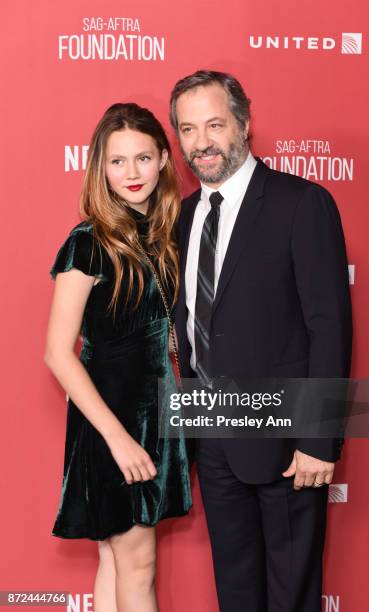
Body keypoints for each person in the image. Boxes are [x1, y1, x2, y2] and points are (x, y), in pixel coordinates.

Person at [170, 70, 352, 612]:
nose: (201, 142)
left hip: (288, 443)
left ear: (244, 125)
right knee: (236, 589)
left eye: (215, 124)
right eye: (187, 129)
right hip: (214, 437)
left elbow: (331, 326)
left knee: (291, 593)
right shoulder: (183, 216)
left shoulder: (301, 203)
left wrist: (320, 439)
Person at [44, 102, 192, 612]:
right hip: (113, 422)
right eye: (117, 161)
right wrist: (118, 438)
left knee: (117, 558)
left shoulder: (167, 235)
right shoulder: (88, 242)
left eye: (143, 158)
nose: (132, 173)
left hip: (157, 418)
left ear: (164, 161)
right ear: (99, 169)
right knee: (138, 564)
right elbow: (58, 353)